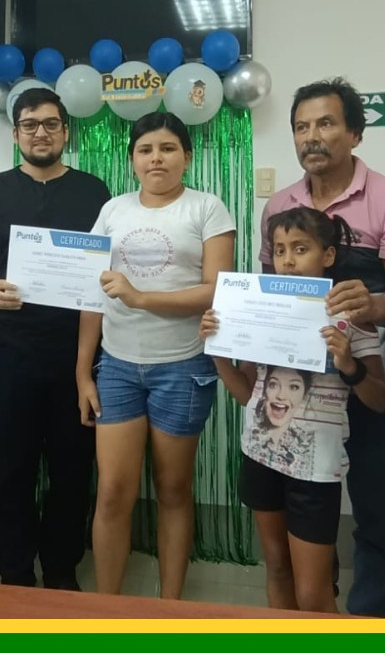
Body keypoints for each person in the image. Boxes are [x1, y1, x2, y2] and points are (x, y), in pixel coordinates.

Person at [260, 77, 385, 617]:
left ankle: (369, 625)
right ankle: (316, 613)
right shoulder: (279, 204)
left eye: (325, 123)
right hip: (299, 388)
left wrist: (372, 305)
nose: (312, 136)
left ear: (355, 133)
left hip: (375, 383)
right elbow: (268, 291)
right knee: (306, 513)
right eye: (301, 126)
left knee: (375, 515)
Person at [76, 111, 235, 599]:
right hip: (117, 367)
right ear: (132, 160)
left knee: (172, 490)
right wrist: (83, 373)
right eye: (145, 150)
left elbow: (216, 290)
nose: (156, 158)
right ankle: (108, 608)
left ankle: (170, 608)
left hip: (183, 367)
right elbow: (91, 293)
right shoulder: (113, 210)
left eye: (167, 148)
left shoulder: (207, 208)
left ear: (187, 156)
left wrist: (141, 297)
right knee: (112, 492)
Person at [203, 206, 385, 613]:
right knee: (276, 570)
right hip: (259, 458)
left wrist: (349, 365)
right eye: (280, 249)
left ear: (328, 255)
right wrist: (217, 352)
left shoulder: (351, 319)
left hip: (314, 472)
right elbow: (246, 395)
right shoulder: (261, 313)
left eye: (301, 249)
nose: (288, 260)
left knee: (313, 592)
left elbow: (380, 399)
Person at [0, 87, 111, 590]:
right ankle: (16, 574)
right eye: (30, 124)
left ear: (66, 131)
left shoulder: (94, 191)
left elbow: (103, 270)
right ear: (16, 133)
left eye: (50, 123)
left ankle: (62, 573)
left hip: (78, 354)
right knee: (13, 471)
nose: (40, 133)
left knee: (73, 471)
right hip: (11, 350)